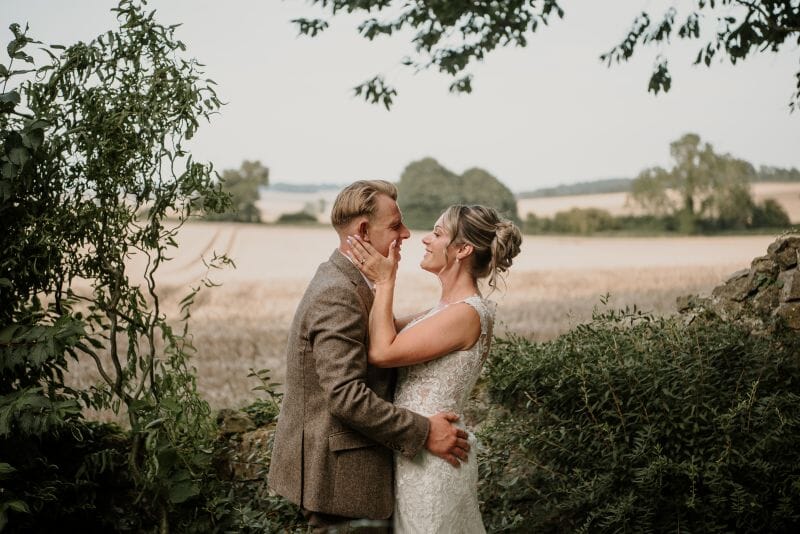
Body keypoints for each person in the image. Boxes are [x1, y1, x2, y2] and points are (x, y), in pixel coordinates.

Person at [268, 180, 472, 534]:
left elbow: (386, 333)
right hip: (340, 483)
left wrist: (449, 317)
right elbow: (346, 397)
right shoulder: (337, 293)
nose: (406, 234)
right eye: (395, 225)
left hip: (347, 477)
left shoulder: (349, 280)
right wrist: (424, 431)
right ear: (363, 230)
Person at [346, 204, 522, 533]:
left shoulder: (465, 314)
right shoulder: (443, 310)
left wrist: (386, 281)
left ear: (463, 249)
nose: (425, 239)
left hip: (434, 467)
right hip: (418, 457)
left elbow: (383, 351)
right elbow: (377, 329)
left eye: (438, 233)